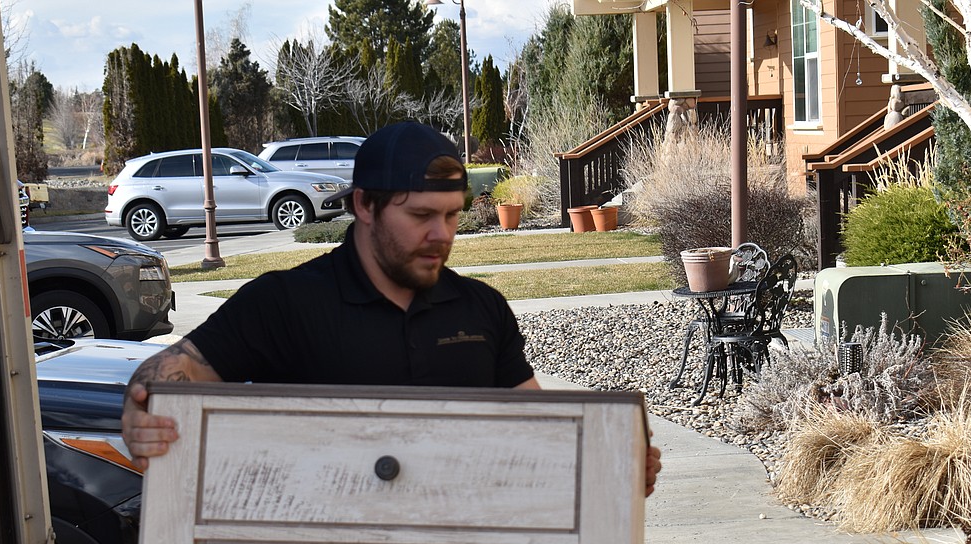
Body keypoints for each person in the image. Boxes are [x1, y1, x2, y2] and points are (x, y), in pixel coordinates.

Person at [121, 121, 661, 495]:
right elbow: (179, 368)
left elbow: (539, 430)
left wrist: (613, 462)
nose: (440, 234)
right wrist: (144, 401)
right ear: (364, 205)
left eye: (451, 216)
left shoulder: (482, 310)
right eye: (422, 214)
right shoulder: (285, 302)